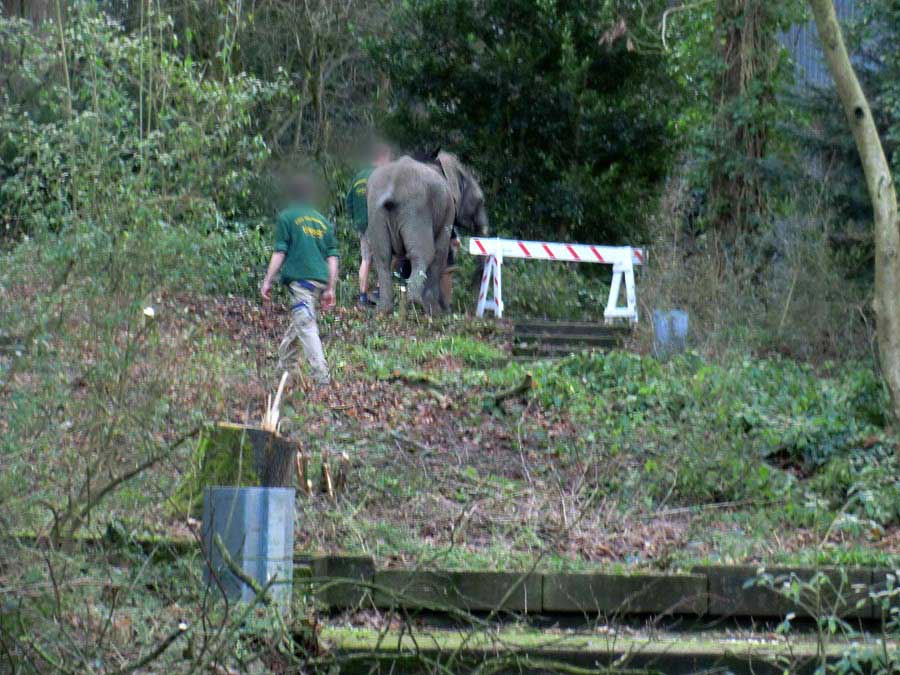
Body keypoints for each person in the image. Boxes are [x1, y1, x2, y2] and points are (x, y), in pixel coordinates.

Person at [261, 175, 338, 385]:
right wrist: (330, 288)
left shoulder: (287, 217)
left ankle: (321, 377)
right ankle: (284, 373)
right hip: (319, 282)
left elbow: (280, 252)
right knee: (300, 324)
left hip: (302, 284)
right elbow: (332, 258)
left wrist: (267, 280)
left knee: (306, 325)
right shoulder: (323, 222)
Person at [346, 142, 392, 306]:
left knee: (366, 259)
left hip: (362, 225)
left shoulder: (359, 176)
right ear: (382, 157)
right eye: (388, 157)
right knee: (385, 258)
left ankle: (363, 297)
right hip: (378, 223)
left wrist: (357, 220)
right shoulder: (382, 175)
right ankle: (380, 292)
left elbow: (349, 202)